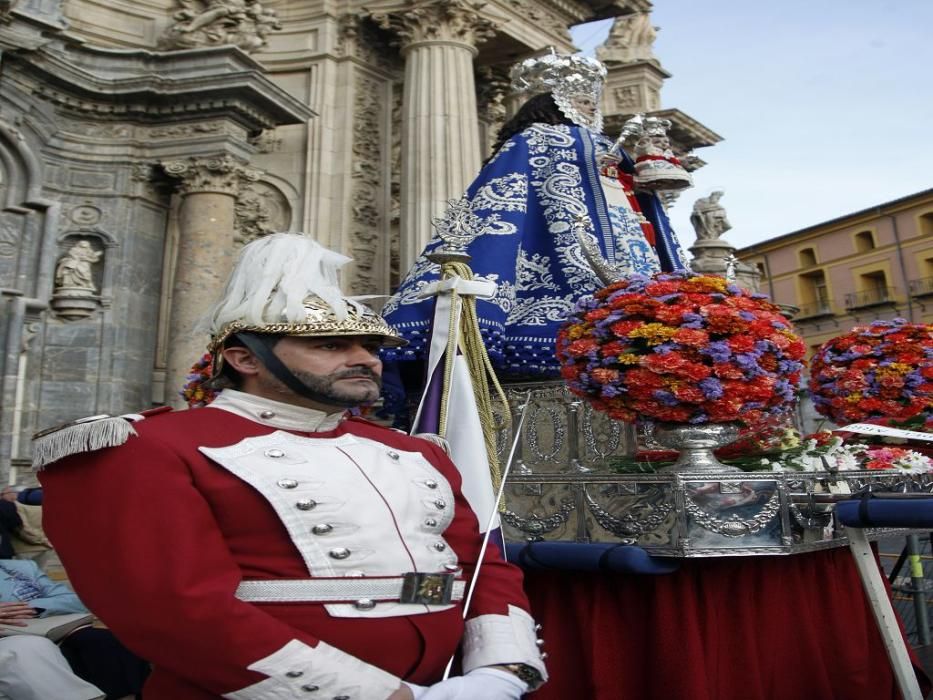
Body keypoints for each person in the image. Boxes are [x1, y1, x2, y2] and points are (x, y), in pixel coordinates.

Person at [34, 233, 547, 700]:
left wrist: (501, 669)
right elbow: (174, 609)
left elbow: (481, 566)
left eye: (369, 347)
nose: (365, 359)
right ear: (245, 360)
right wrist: (386, 697)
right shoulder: (144, 445)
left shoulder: (416, 451)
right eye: (330, 346)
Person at [382, 51, 688, 378]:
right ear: (556, 104)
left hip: (624, 240)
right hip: (555, 239)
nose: (592, 109)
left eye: (592, 102)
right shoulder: (536, 139)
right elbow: (509, 196)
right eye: (583, 102)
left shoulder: (600, 144)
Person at [0, 558, 148, 699]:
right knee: (29, 647)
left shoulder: (18, 568)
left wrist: (33, 607)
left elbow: (75, 601)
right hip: (11, 640)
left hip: (48, 629)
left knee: (102, 641)